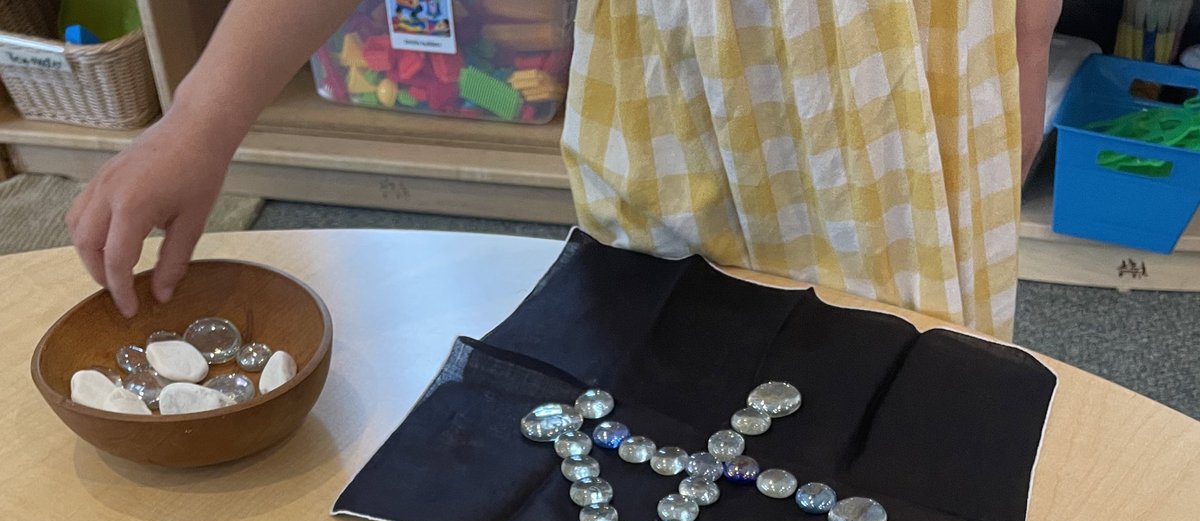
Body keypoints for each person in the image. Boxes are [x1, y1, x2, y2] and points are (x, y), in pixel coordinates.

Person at [68, 0, 1060, 339]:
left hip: (904, 195)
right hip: (675, 172)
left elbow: (1025, 20)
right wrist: (199, 117)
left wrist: (987, 182)